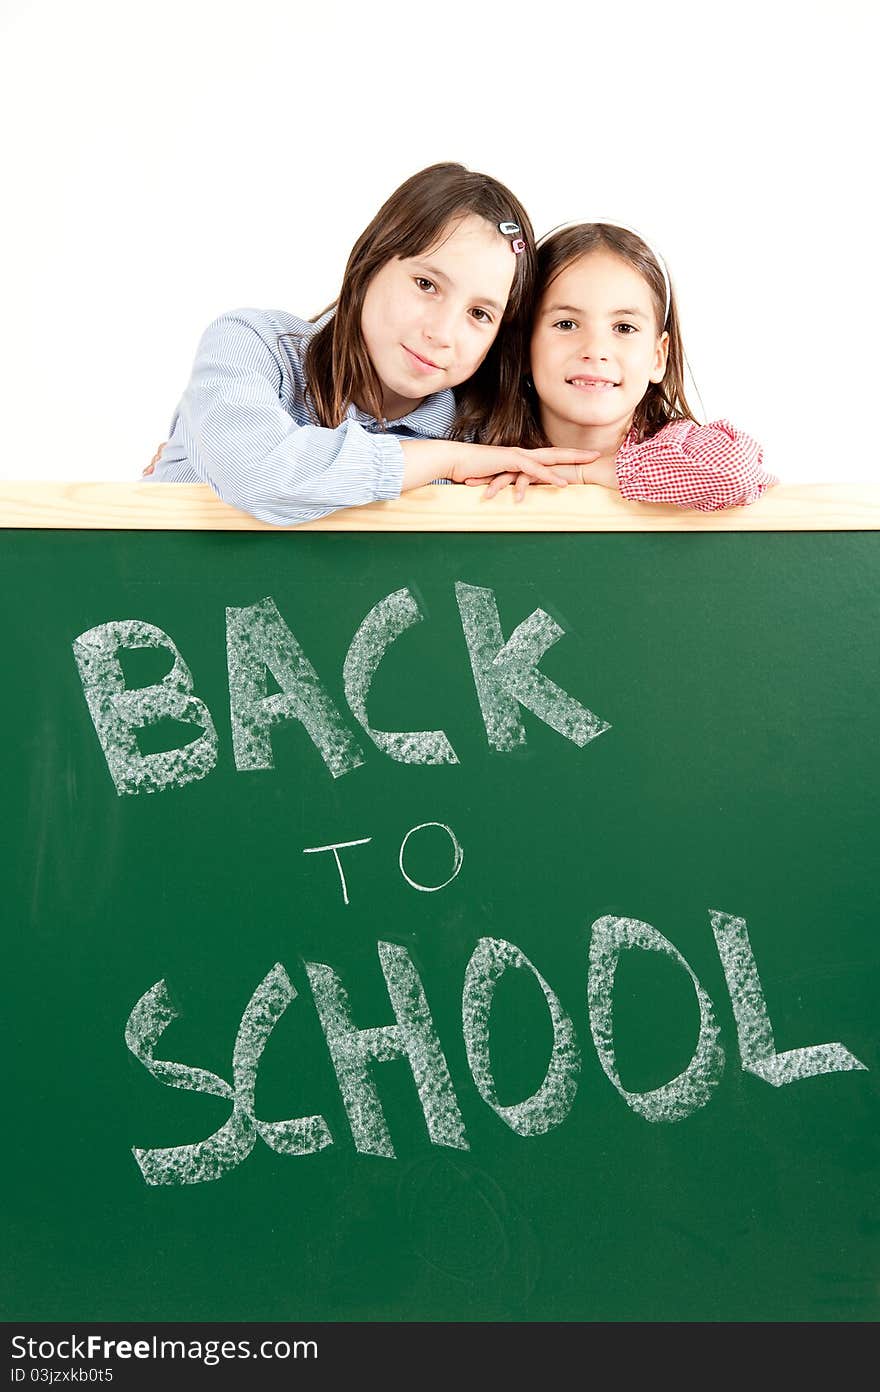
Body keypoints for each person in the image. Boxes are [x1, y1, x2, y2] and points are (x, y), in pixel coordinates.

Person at [144, 165, 602, 525]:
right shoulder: (253, 346)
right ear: (369, 263)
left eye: (479, 315)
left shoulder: (481, 429)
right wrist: (447, 460)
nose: (442, 333)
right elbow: (262, 475)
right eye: (426, 284)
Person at [475, 221, 777, 510]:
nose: (595, 350)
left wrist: (585, 472)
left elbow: (734, 472)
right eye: (566, 324)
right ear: (525, 348)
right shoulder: (486, 448)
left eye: (624, 328)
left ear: (658, 358)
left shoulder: (680, 446)